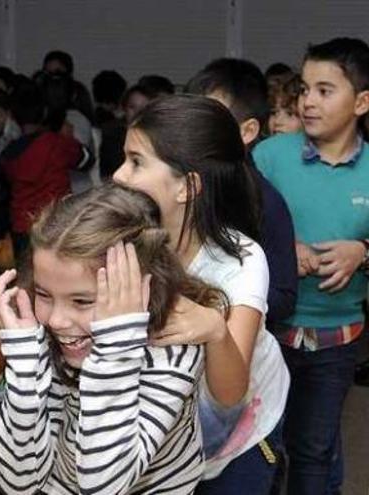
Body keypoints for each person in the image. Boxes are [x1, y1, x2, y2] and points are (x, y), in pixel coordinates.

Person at [0, 183, 225, 494]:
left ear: (139, 289)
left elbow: (104, 486)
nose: (57, 320)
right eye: (44, 294)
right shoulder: (48, 336)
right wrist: (25, 370)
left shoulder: (172, 350)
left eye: (82, 301)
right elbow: (18, 483)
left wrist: (116, 351)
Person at [113, 95, 290, 494]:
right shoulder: (126, 240)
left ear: (187, 187)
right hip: (170, 435)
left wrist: (215, 331)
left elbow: (229, 394)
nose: (118, 176)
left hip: (241, 432)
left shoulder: (240, 262)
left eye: (136, 161)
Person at [252, 37, 369, 495]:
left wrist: (363, 249)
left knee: (314, 449)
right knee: (261, 444)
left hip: (337, 339)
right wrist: (282, 245)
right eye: (305, 89)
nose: (308, 102)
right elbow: (232, 226)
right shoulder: (269, 157)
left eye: (325, 90)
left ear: (361, 101)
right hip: (267, 332)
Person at [185, 58, 299, 330]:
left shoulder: (265, 202)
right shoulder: (179, 184)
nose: (195, 128)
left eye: (211, 118)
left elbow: (283, 298)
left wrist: (212, 293)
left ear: (247, 131)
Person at [1, 81, 82, 258]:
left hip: (21, 224)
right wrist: (70, 138)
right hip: (55, 222)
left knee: (25, 277)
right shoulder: (58, 144)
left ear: (14, 117)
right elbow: (85, 160)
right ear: (44, 113)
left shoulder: (8, 153)